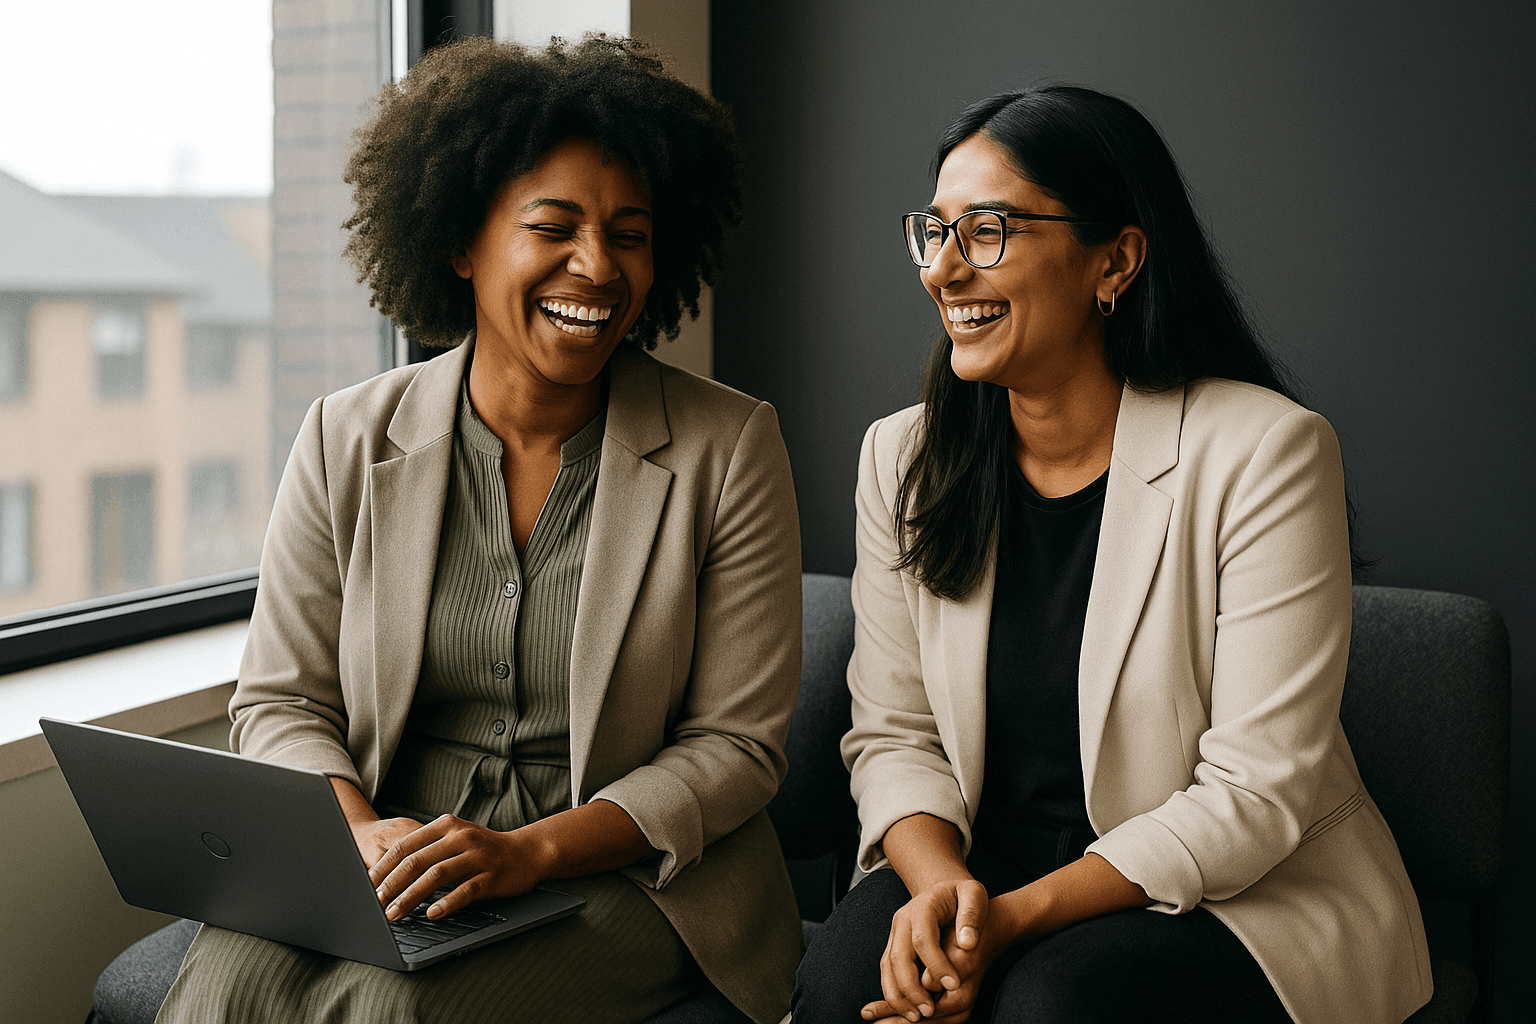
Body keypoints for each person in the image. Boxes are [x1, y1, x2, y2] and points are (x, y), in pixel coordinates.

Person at [155, 35, 802, 1024]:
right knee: (224, 996)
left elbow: (736, 745)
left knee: (388, 1011)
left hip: (623, 875)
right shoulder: (346, 434)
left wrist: (529, 851)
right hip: (393, 855)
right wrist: (363, 837)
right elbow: (281, 701)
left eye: (630, 233)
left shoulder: (728, 445)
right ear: (462, 239)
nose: (597, 265)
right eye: (554, 226)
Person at [792, 85, 1430, 1024]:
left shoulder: (1267, 451)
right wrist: (939, 892)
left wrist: (1013, 922)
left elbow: (1254, 792)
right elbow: (896, 734)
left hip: (1235, 892)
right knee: (849, 985)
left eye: (991, 230)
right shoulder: (904, 458)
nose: (945, 270)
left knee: (1051, 1005)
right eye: (936, 230)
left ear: (1116, 260)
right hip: (982, 860)